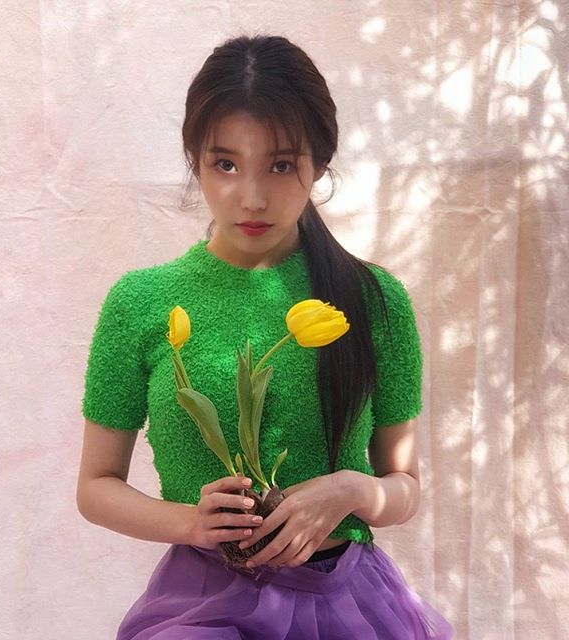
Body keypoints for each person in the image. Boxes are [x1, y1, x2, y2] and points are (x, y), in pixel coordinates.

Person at [77, 33, 454, 639]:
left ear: (320, 164)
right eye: (225, 164)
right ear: (195, 160)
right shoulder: (139, 303)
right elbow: (96, 486)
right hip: (203, 604)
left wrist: (350, 489)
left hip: (348, 603)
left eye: (280, 165)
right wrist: (191, 523)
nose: (251, 197)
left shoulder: (373, 299)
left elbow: (404, 487)